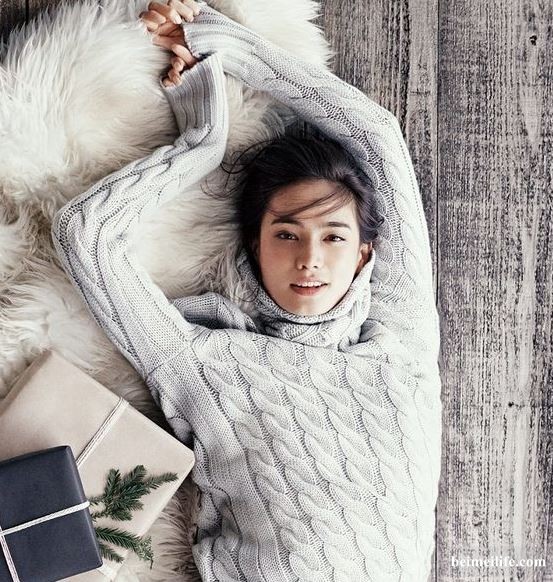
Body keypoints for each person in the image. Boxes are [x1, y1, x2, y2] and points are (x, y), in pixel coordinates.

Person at [51, 1, 443, 580]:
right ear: (257, 248)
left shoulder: (398, 343)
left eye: (333, 236)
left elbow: (378, 136)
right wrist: (201, 145)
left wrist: (225, 43)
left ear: (364, 254)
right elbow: (83, 234)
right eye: (286, 234)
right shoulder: (201, 362)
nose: (310, 258)